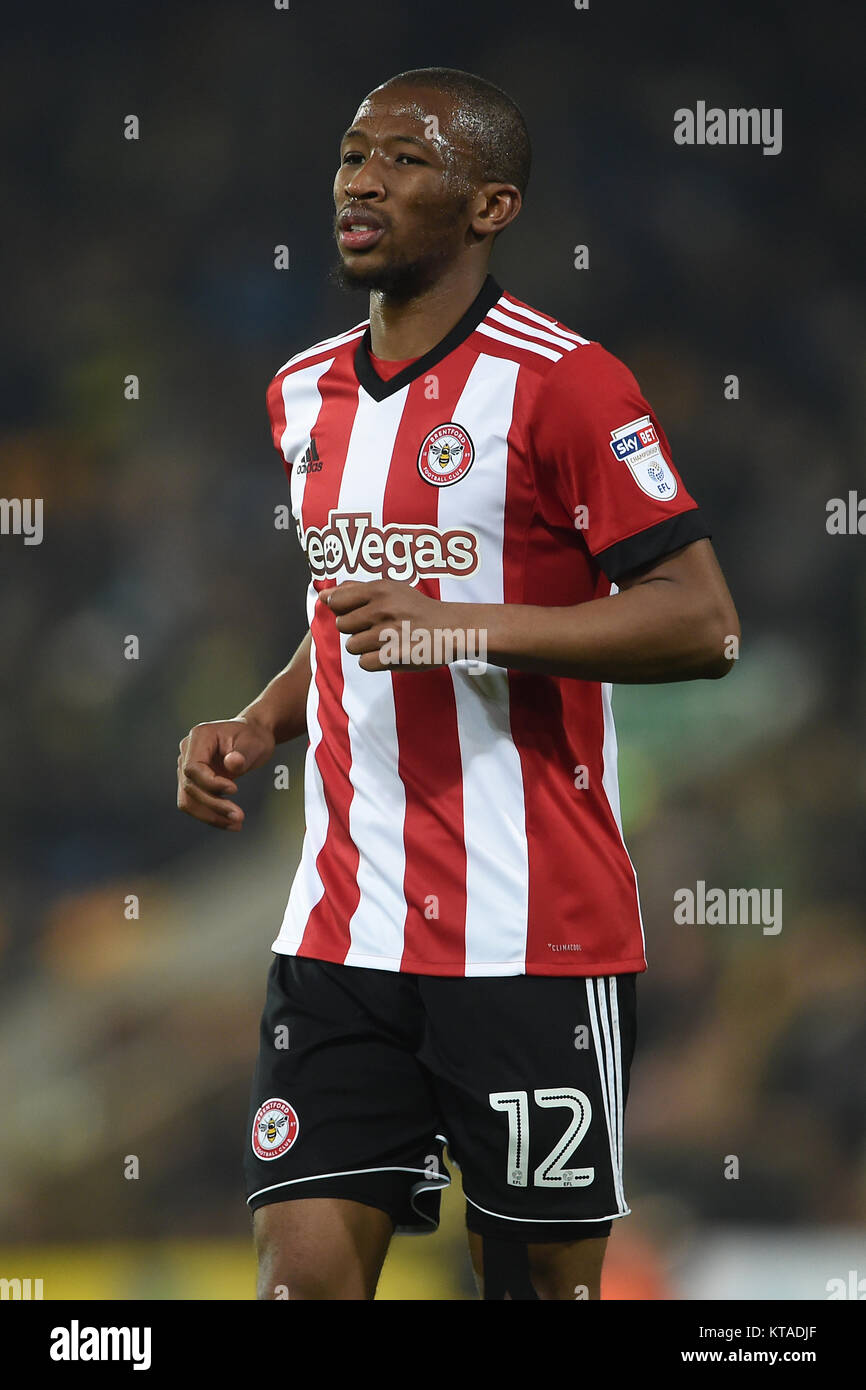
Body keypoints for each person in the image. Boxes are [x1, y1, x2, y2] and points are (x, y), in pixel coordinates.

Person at [177, 67, 740, 1301]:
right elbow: (344, 607)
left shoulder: (564, 383)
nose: (361, 178)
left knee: (535, 1289)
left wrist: (462, 630)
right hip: (342, 927)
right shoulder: (301, 394)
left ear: (490, 208)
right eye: (349, 155)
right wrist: (259, 721)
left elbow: (701, 624)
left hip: (532, 936)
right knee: (300, 1281)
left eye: (404, 158)